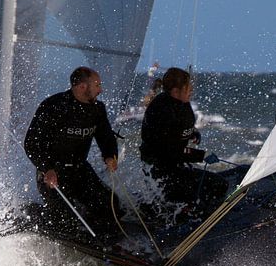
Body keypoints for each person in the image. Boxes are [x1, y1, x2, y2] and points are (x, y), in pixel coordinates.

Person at [24, 66, 123, 241]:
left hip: (80, 170)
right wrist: (47, 168)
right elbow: (31, 143)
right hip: (52, 173)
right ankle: (32, 215)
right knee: (64, 221)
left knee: (111, 204)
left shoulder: (97, 109)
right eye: (97, 85)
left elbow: (105, 137)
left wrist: (110, 156)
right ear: (81, 87)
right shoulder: (53, 106)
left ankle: (98, 235)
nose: (101, 90)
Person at [139, 67, 227, 217]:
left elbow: (182, 127)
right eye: (188, 87)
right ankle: (185, 218)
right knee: (197, 194)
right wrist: (202, 155)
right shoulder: (162, 110)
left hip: (176, 166)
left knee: (220, 184)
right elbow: (171, 151)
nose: (192, 89)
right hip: (161, 172)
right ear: (175, 91)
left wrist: (193, 132)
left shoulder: (181, 101)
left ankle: (206, 215)